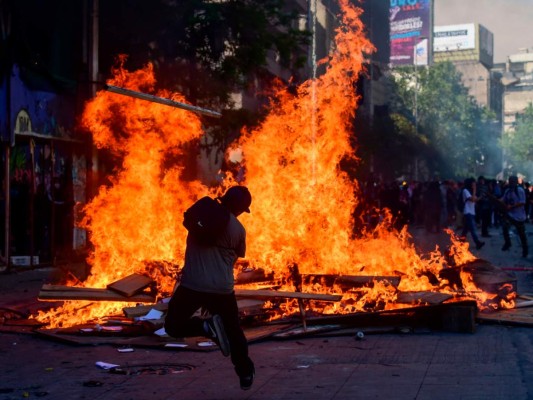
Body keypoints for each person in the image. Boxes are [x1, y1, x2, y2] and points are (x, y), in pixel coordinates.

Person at [164, 186, 255, 390]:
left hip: (192, 285)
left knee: (172, 326)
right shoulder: (238, 230)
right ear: (240, 209)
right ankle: (245, 372)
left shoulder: (201, 215)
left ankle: (204, 327)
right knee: (233, 332)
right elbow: (236, 256)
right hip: (221, 289)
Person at [500, 176, 528, 258]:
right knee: (505, 226)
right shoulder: (507, 191)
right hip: (511, 215)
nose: (511, 183)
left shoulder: (520, 190)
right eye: (510, 181)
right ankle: (508, 243)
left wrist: (512, 207)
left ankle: (525, 251)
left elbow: (522, 202)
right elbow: (503, 199)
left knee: (521, 235)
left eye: (512, 181)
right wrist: (496, 200)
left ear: (516, 182)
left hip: (519, 216)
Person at [460, 177, 485, 250]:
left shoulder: (470, 191)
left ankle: (461, 241)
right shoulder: (465, 190)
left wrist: (481, 196)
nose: (474, 185)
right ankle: (478, 243)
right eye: (473, 183)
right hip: (468, 212)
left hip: (471, 212)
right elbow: (472, 199)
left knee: (465, 229)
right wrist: (474, 190)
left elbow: (475, 199)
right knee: (472, 229)